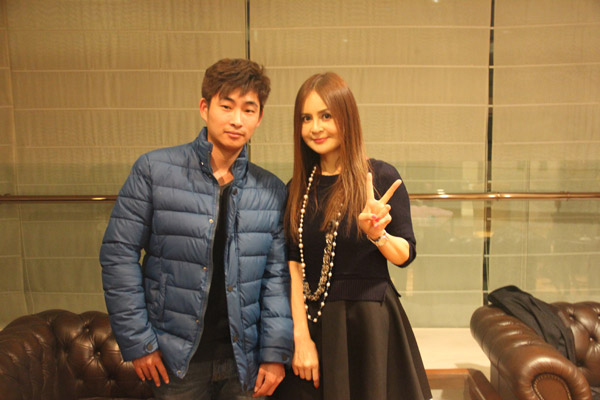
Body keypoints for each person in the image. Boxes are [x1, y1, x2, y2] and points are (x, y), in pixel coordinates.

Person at [100, 58, 293, 399]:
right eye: (226, 106)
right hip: (176, 361)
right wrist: (139, 341)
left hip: (245, 363)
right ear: (205, 108)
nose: (237, 119)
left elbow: (275, 278)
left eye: (248, 110)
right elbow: (119, 255)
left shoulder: (271, 190)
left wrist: (275, 353)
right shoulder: (154, 170)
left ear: (259, 117)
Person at [271, 72, 432, 400]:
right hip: (313, 324)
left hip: (367, 325)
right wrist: (300, 338)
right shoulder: (297, 188)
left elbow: (405, 254)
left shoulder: (379, 176)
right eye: (306, 118)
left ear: (347, 117)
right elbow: (293, 267)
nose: (316, 128)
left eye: (326, 116)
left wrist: (378, 235)